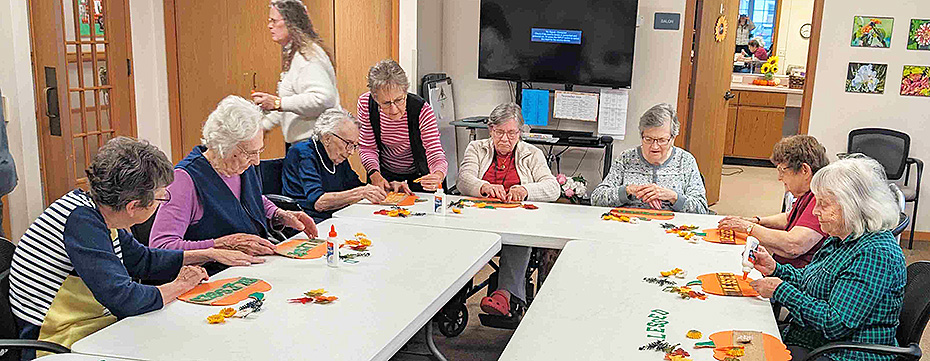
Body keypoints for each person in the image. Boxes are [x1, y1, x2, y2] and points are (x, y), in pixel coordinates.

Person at [9, 137, 264, 360]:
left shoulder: (96, 210)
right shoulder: (82, 224)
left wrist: (208, 253)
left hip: (91, 325)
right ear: (133, 206)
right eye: (160, 197)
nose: (163, 201)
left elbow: (142, 259)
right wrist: (179, 286)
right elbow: (125, 299)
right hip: (60, 340)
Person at [750, 157, 905, 361]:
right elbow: (811, 279)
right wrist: (775, 269)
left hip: (847, 354)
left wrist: (781, 290)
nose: (815, 211)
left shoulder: (875, 253)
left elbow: (835, 324)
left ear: (852, 206)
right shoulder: (841, 237)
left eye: (823, 204)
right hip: (817, 341)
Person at [150, 95, 318, 259]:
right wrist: (221, 245)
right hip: (213, 276)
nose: (257, 161)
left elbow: (249, 199)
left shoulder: (242, 166)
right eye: (250, 153)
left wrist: (278, 214)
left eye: (259, 151)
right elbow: (161, 247)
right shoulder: (185, 179)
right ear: (224, 146)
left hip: (253, 264)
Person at [457, 103, 560, 318]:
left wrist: (525, 190)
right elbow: (464, 180)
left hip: (516, 218)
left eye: (512, 133)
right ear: (490, 129)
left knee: (519, 236)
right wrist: (484, 187)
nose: (505, 139)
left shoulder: (532, 154)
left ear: (520, 133)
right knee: (458, 238)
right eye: (500, 132)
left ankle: (504, 295)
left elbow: (553, 188)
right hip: (479, 218)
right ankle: (452, 295)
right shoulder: (477, 148)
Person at [717, 135, 829, 268]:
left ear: (804, 170)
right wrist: (757, 221)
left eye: (782, 171)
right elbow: (789, 218)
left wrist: (748, 228)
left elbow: (794, 245)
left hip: (798, 278)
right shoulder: (807, 192)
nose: (779, 178)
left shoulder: (820, 198)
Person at [281, 109, 410, 222]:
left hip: (337, 216)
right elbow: (319, 202)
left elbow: (357, 187)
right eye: (348, 143)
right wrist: (362, 192)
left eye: (354, 145)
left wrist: (388, 188)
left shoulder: (337, 155)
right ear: (327, 138)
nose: (351, 151)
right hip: (308, 221)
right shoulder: (303, 154)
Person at [591, 103, 708, 214]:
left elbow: (701, 209)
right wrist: (628, 190)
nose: (655, 146)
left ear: (673, 138)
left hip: (671, 229)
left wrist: (673, 196)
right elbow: (596, 199)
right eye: (648, 139)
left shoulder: (685, 160)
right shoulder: (626, 158)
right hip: (628, 225)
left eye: (662, 140)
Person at [251, 0, 340, 146]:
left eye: (274, 21)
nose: (269, 26)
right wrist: (263, 126)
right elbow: (290, 106)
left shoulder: (307, 56)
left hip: (314, 145)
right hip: (305, 145)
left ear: (290, 22)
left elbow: (324, 98)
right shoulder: (296, 54)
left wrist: (278, 103)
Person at [357, 59, 448, 193]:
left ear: (405, 91)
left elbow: (434, 152)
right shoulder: (366, 104)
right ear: (375, 98)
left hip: (419, 175)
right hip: (383, 175)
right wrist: (374, 174)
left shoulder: (422, 110)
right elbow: (367, 147)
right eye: (386, 103)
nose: (394, 109)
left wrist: (437, 175)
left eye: (399, 100)